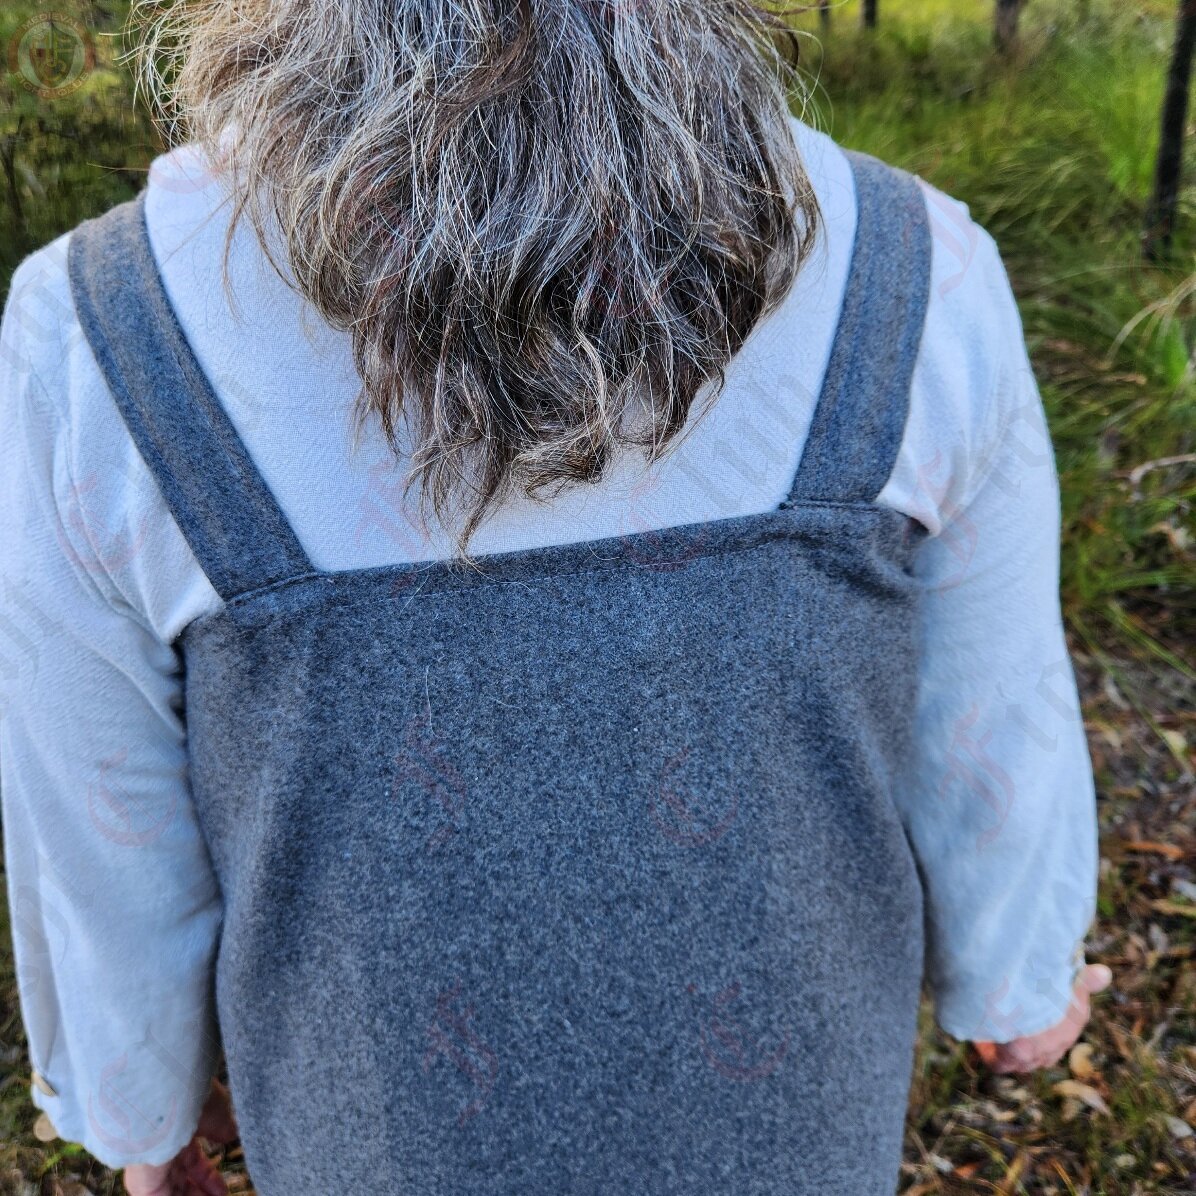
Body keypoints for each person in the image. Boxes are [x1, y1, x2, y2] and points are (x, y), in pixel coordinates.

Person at [0, 2, 1110, 1194]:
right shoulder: (918, 268)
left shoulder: (100, 325)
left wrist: (140, 1105)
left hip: (366, 1133)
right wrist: (1017, 977)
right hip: (799, 1127)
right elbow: (990, 713)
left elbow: (97, 819)